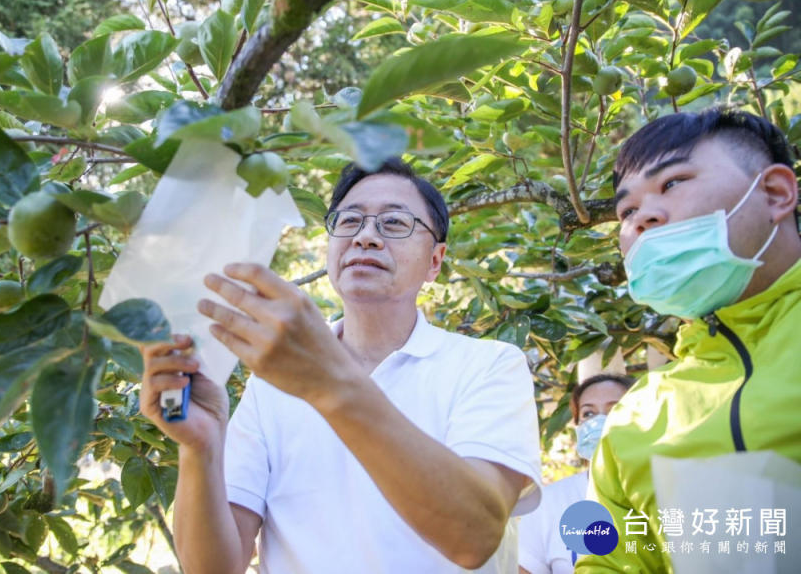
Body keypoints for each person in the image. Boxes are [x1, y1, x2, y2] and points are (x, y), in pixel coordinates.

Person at [140, 158, 542, 573]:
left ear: (435, 262)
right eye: (349, 221)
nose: (366, 237)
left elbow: (473, 536)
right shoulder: (271, 386)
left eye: (394, 223)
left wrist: (327, 383)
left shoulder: (488, 365)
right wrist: (199, 448)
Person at [575, 109, 801, 572]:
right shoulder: (634, 421)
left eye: (673, 183)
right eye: (627, 211)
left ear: (776, 193)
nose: (643, 219)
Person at [518, 374, 633, 574]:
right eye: (588, 414)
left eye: (614, 410)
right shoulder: (549, 503)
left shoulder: (667, 494)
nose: (600, 421)